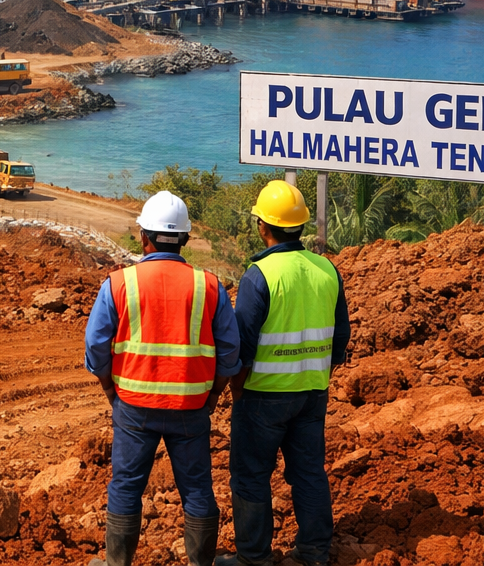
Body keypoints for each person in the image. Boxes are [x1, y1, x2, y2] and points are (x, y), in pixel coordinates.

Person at [85, 190, 241, 566]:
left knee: (125, 486)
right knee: (197, 488)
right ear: (185, 239)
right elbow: (230, 351)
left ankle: (117, 563)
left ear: (144, 236)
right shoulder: (209, 285)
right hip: (191, 406)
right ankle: (201, 562)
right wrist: (215, 394)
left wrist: (110, 387)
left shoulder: (120, 283)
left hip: (134, 406)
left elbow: (96, 344)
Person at [227, 180, 351, 566]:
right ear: (299, 226)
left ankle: (254, 557)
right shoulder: (326, 269)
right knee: (309, 473)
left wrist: (238, 391)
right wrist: (315, 373)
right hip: (312, 393)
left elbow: (241, 345)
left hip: (263, 394)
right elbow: (340, 336)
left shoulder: (259, 275)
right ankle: (314, 553)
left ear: (263, 226)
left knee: (250, 476)